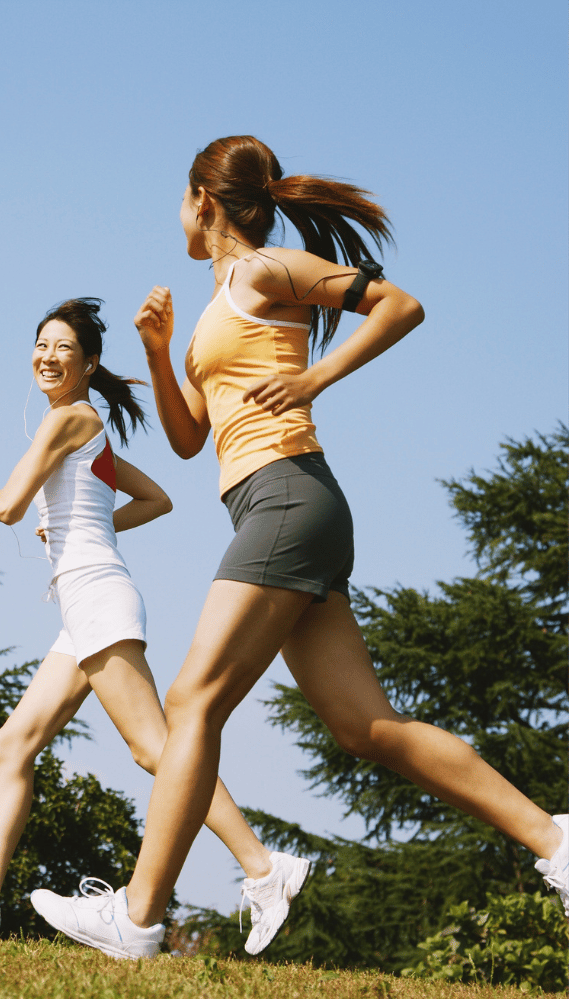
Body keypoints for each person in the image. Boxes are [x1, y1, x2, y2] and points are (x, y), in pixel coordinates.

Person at [30, 137, 569, 959]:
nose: (175, 216)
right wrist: (156, 349)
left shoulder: (266, 268)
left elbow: (400, 304)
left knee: (192, 702)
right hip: (279, 505)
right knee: (367, 728)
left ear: (202, 202)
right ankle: (558, 842)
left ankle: (137, 917)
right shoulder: (219, 302)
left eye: (179, 201)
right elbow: (186, 441)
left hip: (286, 496)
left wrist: (316, 380)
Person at [0, 297, 310, 954]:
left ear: (89, 363)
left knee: (156, 748)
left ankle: (264, 868)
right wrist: (81, 526)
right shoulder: (86, 427)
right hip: (84, 603)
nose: (48, 354)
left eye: (63, 347)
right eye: (41, 343)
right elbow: (157, 499)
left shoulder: (72, 417)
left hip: (96, 597)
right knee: (13, 745)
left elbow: (6, 506)